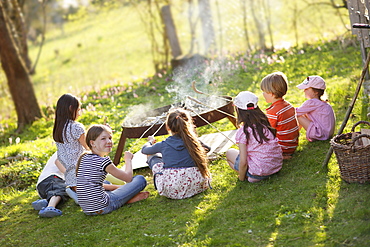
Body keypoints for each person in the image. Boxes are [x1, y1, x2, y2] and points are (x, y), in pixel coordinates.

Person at [76, 124, 149, 215]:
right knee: (140, 179)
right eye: (103, 139)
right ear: (92, 143)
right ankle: (130, 198)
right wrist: (128, 160)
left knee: (105, 183)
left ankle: (125, 194)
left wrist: (121, 188)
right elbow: (128, 178)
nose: (109, 141)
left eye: (110, 138)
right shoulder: (103, 162)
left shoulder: (84, 157)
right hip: (104, 206)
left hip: (87, 209)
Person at [141, 108, 211, 199]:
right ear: (188, 124)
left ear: (168, 127)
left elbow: (145, 150)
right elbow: (208, 149)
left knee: (153, 157)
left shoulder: (163, 144)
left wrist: (150, 141)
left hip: (173, 190)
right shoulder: (193, 141)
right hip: (198, 185)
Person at [226, 91, 283, 182]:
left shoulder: (243, 131)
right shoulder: (264, 123)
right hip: (276, 166)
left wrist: (241, 180)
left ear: (238, 110)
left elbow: (243, 162)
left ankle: (249, 176)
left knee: (229, 153)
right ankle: (254, 176)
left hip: (260, 171)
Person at [53, 93, 89, 204]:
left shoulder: (58, 129)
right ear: (71, 108)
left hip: (70, 178)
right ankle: (81, 196)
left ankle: (75, 192)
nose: (79, 113)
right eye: (78, 110)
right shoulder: (76, 127)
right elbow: (89, 147)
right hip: (82, 172)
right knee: (108, 185)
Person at [260, 71, 299, 160]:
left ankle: (279, 156)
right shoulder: (288, 106)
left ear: (271, 93)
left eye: (264, 91)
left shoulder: (274, 112)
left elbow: (267, 131)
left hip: (283, 147)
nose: (263, 94)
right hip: (292, 145)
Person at [296, 75, 335, 141]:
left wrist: (285, 108)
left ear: (316, 92)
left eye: (307, 89)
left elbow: (295, 112)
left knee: (298, 116)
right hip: (327, 134)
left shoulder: (312, 102)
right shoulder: (323, 103)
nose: (304, 91)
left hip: (320, 134)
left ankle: (292, 135)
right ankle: (295, 134)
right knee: (304, 114)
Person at [31, 152, 69, 218]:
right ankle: (50, 207)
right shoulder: (70, 149)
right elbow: (57, 161)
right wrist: (70, 175)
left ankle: (45, 202)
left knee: (64, 193)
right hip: (52, 177)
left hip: (44, 186)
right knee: (59, 190)